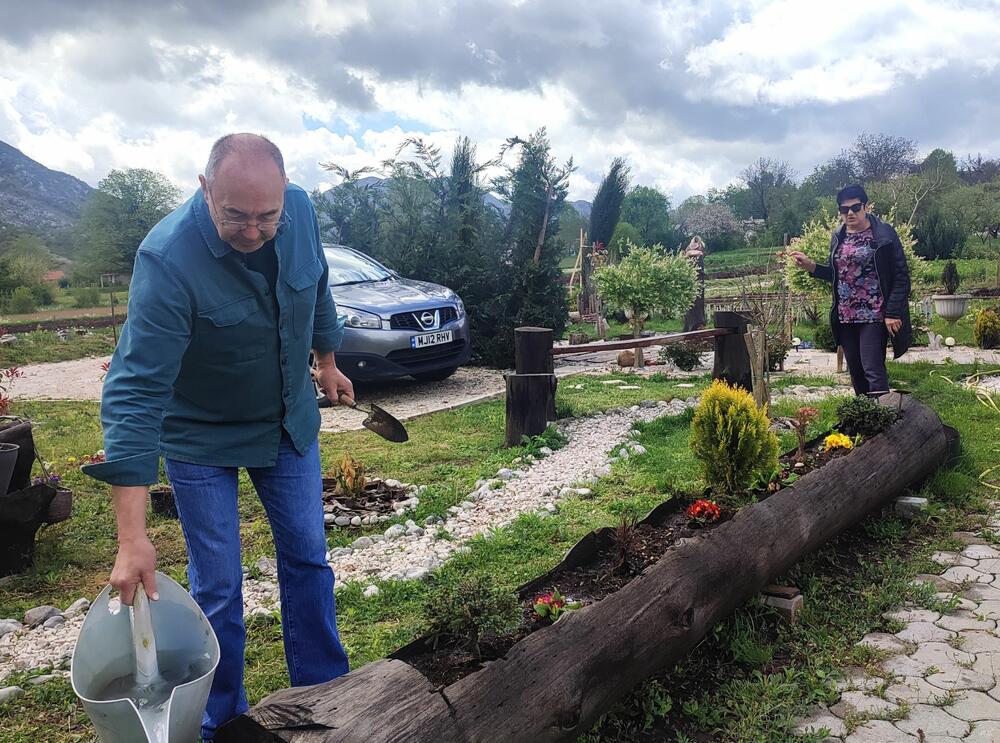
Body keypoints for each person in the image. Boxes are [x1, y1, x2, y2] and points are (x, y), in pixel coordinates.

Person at [83, 133, 354, 739]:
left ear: (285, 197)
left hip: (288, 421)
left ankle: (328, 697)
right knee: (219, 587)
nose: (255, 230)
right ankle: (221, 718)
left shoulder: (301, 212)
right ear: (205, 189)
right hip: (200, 435)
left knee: (309, 558)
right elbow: (133, 392)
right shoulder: (167, 261)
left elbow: (317, 287)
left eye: (268, 216)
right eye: (236, 214)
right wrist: (132, 537)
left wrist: (328, 359)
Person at [788, 184, 911, 396]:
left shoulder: (883, 233)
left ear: (866, 206)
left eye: (855, 207)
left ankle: (882, 419)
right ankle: (864, 419)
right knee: (855, 371)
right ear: (840, 212)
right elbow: (838, 275)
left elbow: (901, 276)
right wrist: (811, 266)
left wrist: (892, 312)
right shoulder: (839, 236)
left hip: (875, 312)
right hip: (846, 315)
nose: (850, 213)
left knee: (872, 368)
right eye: (844, 210)